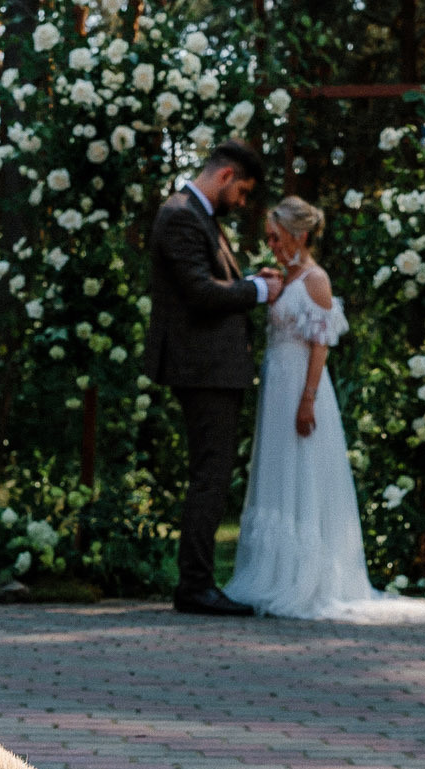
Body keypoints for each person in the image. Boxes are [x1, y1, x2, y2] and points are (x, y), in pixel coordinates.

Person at [226, 197, 425, 624]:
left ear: (299, 235)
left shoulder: (316, 279)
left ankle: (307, 577)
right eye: (269, 239)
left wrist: (308, 398)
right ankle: (273, 571)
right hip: (275, 386)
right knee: (278, 473)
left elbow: (321, 344)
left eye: (276, 238)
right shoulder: (285, 276)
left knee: (304, 473)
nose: (272, 246)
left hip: (300, 384)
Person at [144, 140, 282, 617]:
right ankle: (195, 587)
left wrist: (248, 282)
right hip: (201, 368)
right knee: (210, 475)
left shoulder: (200, 217)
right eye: (243, 191)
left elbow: (214, 282)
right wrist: (260, 289)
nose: (242, 202)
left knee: (212, 474)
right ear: (225, 176)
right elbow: (200, 292)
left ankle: (197, 583)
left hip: (211, 367)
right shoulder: (181, 214)